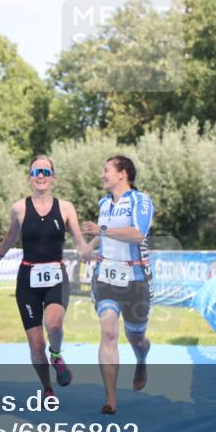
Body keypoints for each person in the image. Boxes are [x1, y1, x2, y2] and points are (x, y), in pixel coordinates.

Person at [0, 156, 92, 398]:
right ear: (29, 177)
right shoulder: (19, 208)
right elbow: (10, 237)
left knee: (54, 323)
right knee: (36, 344)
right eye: (36, 171)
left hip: (56, 276)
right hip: (27, 281)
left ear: (53, 178)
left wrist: (93, 251)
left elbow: (80, 243)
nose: (41, 175)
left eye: (46, 172)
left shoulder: (67, 208)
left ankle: (56, 355)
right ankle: (47, 388)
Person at [81, 155, 154, 415]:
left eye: (106, 170)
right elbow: (105, 234)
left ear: (122, 173)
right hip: (105, 277)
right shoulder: (103, 203)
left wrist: (100, 231)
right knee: (109, 332)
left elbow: (137, 234)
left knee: (136, 337)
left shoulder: (141, 201)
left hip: (135, 279)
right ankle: (110, 399)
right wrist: (89, 247)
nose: (102, 175)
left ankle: (142, 359)